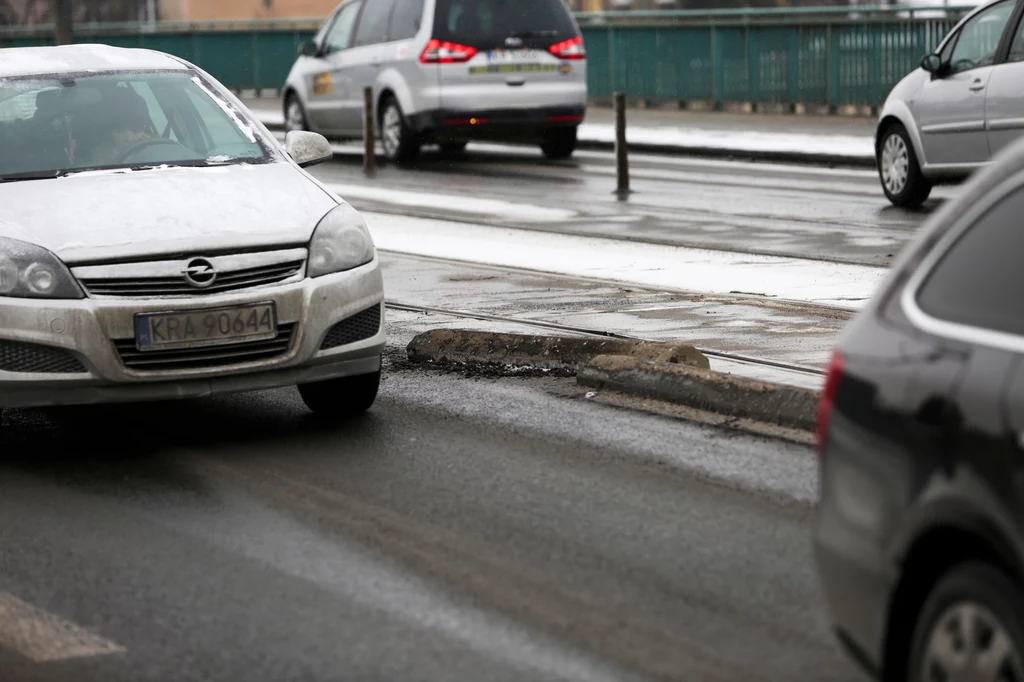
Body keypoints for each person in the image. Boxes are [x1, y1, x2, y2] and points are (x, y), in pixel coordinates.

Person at [84, 85, 157, 166]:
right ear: (109, 132)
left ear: (145, 132)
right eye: (121, 131)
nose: (129, 139)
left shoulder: (157, 149)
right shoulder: (100, 156)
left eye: (136, 131)